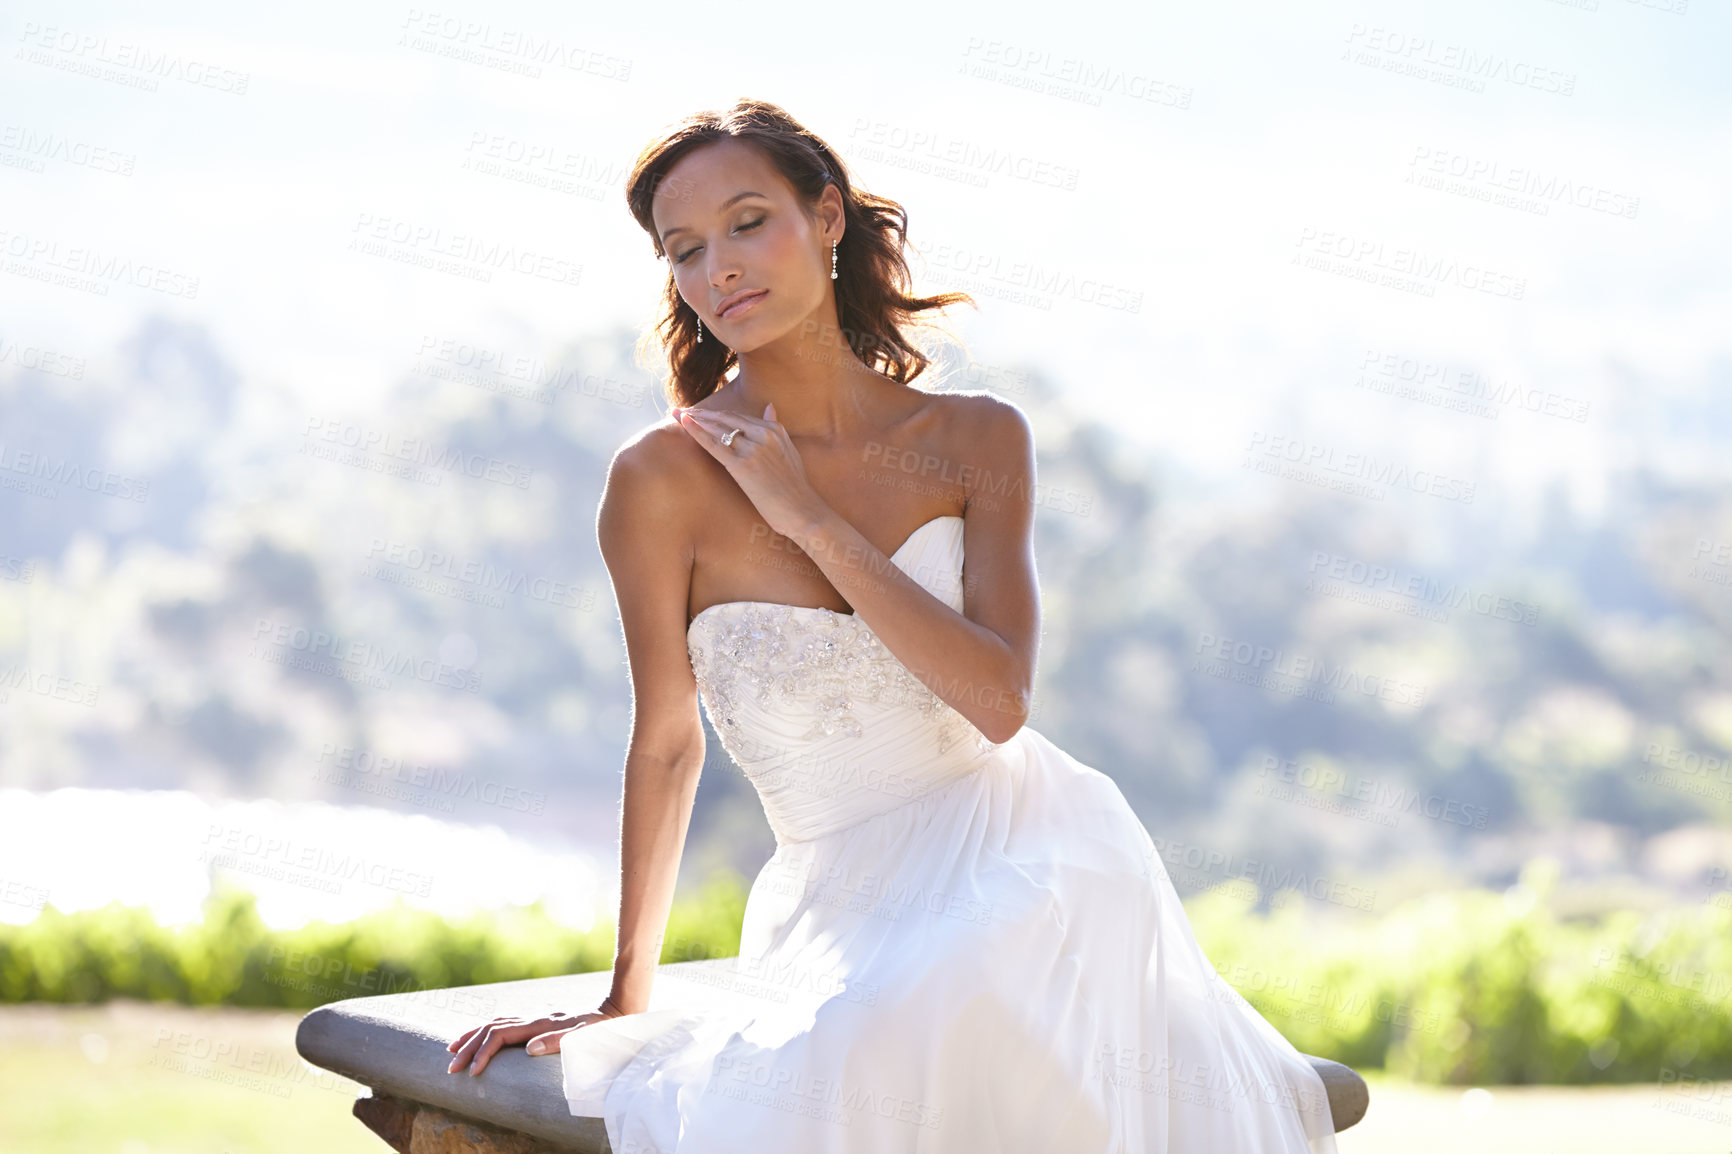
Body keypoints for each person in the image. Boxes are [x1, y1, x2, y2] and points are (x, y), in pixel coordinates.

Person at [446, 98, 1340, 1153]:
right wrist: (621, 991)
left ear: (826, 219)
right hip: (837, 895)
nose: (718, 268)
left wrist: (810, 520)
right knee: (855, 1045)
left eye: (747, 223)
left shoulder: (974, 437)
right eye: (684, 250)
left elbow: (999, 705)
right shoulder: (657, 480)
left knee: (971, 977)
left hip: (1026, 849)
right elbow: (666, 740)